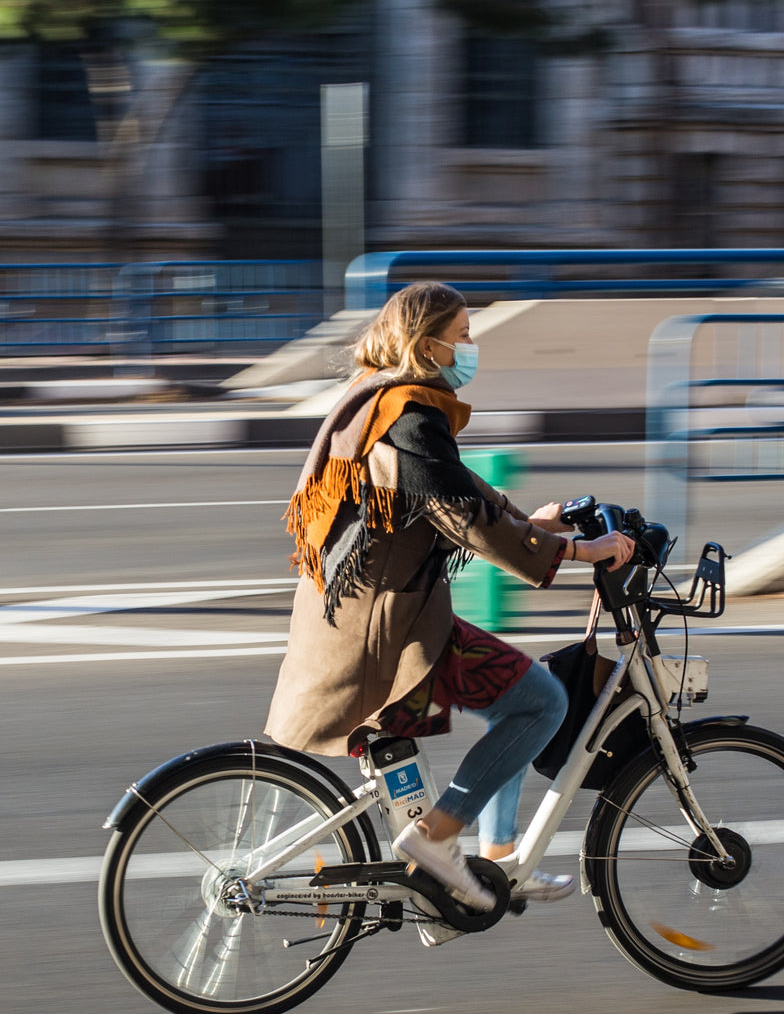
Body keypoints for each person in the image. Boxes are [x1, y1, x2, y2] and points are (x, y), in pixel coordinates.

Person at [265, 281, 634, 914]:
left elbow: (453, 487)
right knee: (542, 703)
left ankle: (495, 860)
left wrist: (532, 524)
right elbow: (460, 512)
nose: (470, 346)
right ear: (427, 342)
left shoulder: (379, 395)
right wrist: (576, 553)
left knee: (514, 701)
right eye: (462, 334)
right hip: (385, 627)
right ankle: (437, 836)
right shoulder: (410, 413)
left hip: (371, 612)